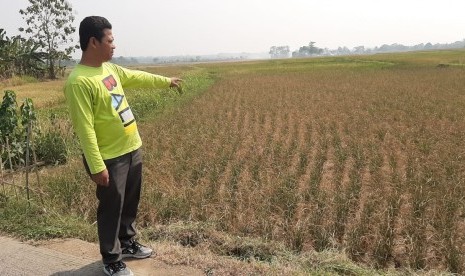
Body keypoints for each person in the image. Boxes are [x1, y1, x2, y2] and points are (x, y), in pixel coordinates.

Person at [64, 16, 182, 276]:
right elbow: (85, 130)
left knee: (129, 203)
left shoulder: (110, 69)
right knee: (111, 209)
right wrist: (97, 166)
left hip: (131, 148)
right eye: (110, 40)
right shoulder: (79, 81)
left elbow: (136, 76)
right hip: (109, 157)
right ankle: (111, 259)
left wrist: (166, 81)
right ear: (93, 42)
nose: (114, 45)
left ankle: (127, 242)